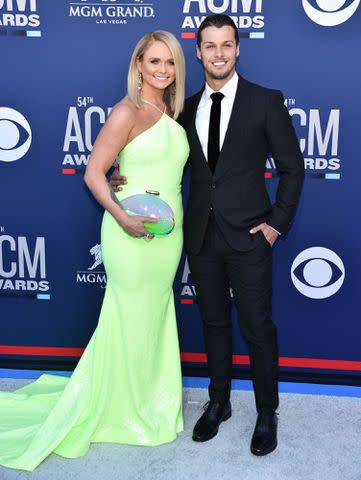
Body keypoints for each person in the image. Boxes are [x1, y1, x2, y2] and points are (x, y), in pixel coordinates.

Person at [111, 14, 304, 456]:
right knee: (213, 324)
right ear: (197, 52)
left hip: (251, 236)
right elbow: (154, 154)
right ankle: (218, 403)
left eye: (226, 45)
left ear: (238, 49)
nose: (218, 53)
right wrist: (124, 174)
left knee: (257, 327)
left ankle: (266, 412)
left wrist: (276, 225)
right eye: (209, 45)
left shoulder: (265, 101)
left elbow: (293, 168)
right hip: (200, 237)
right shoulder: (184, 109)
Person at [0, 30, 189, 471]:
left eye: (171, 62)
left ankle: (148, 404)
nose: (163, 70)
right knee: (126, 316)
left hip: (167, 238)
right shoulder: (128, 110)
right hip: (129, 234)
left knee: (155, 317)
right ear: (138, 63)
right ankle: (118, 409)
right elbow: (93, 173)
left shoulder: (168, 111)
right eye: (155, 61)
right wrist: (123, 217)